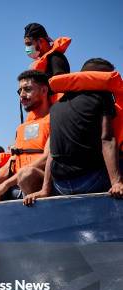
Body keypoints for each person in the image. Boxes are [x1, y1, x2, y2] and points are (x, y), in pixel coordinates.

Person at [25, 58, 123, 204]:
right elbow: (107, 139)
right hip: (90, 182)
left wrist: (45, 190)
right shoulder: (102, 96)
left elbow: (53, 151)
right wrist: (116, 182)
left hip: (61, 185)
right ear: (101, 77)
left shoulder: (58, 105)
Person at [0, 70, 52, 206]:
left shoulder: (54, 119)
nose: (22, 96)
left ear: (43, 90)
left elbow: (47, 158)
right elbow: (12, 162)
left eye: (28, 89)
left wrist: (5, 185)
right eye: (20, 91)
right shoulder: (22, 128)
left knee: (26, 174)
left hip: (38, 180)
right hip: (16, 182)